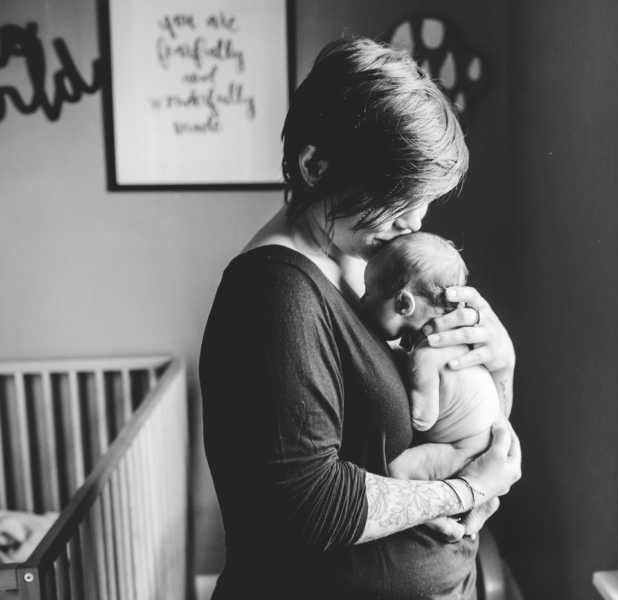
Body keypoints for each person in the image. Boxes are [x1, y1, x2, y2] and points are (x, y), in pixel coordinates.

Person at [199, 37, 520, 600]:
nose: (415, 220)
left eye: (422, 200)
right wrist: (463, 492)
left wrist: (499, 368)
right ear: (315, 167)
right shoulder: (273, 293)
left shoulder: (371, 268)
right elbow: (308, 505)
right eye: (397, 197)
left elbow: (443, 425)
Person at [358, 232, 500, 454]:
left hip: (460, 447)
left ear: (404, 304)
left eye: (368, 293)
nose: (361, 301)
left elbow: (422, 419)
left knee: (397, 470)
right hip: (484, 434)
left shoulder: (426, 354)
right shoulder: (461, 336)